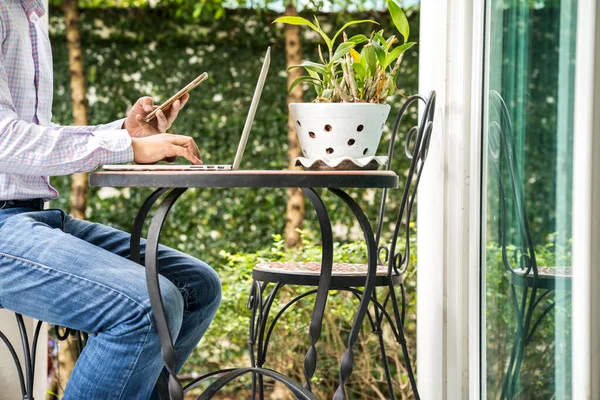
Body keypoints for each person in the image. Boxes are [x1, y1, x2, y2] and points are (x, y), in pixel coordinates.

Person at [0, 1, 222, 399]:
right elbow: (4, 141)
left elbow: (29, 135)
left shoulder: (33, 12)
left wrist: (126, 131)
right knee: (147, 308)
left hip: (28, 215)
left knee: (197, 287)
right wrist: (126, 147)